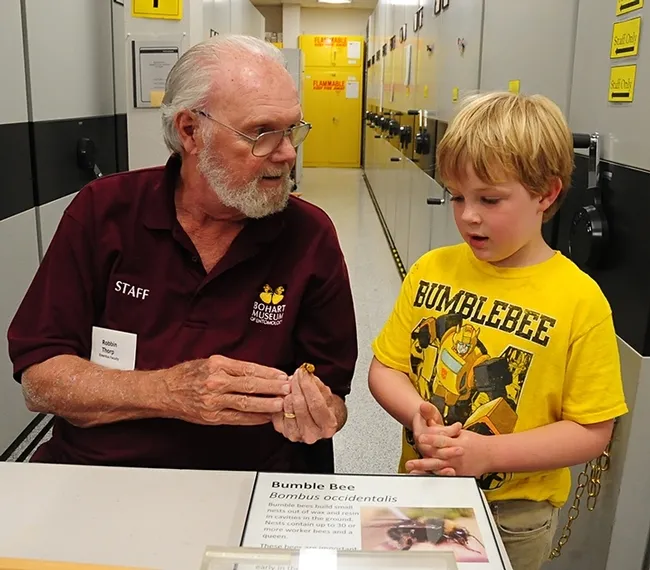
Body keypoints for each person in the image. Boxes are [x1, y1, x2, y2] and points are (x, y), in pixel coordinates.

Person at [7, 35, 358, 473]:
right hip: (106, 472)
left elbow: (333, 394)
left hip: (251, 479)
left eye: (292, 130)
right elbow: (40, 379)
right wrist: (169, 391)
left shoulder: (309, 235)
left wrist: (319, 414)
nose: (287, 153)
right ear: (189, 131)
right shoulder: (104, 212)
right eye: (263, 134)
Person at [368, 92, 627, 569]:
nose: (468, 215)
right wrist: (416, 414)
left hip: (513, 514)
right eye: (457, 197)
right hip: (424, 489)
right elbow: (386, 367)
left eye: (489, 199)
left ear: (546, 194)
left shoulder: (579, 299)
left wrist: (489, 453)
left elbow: (593, 429)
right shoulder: (432, 269)